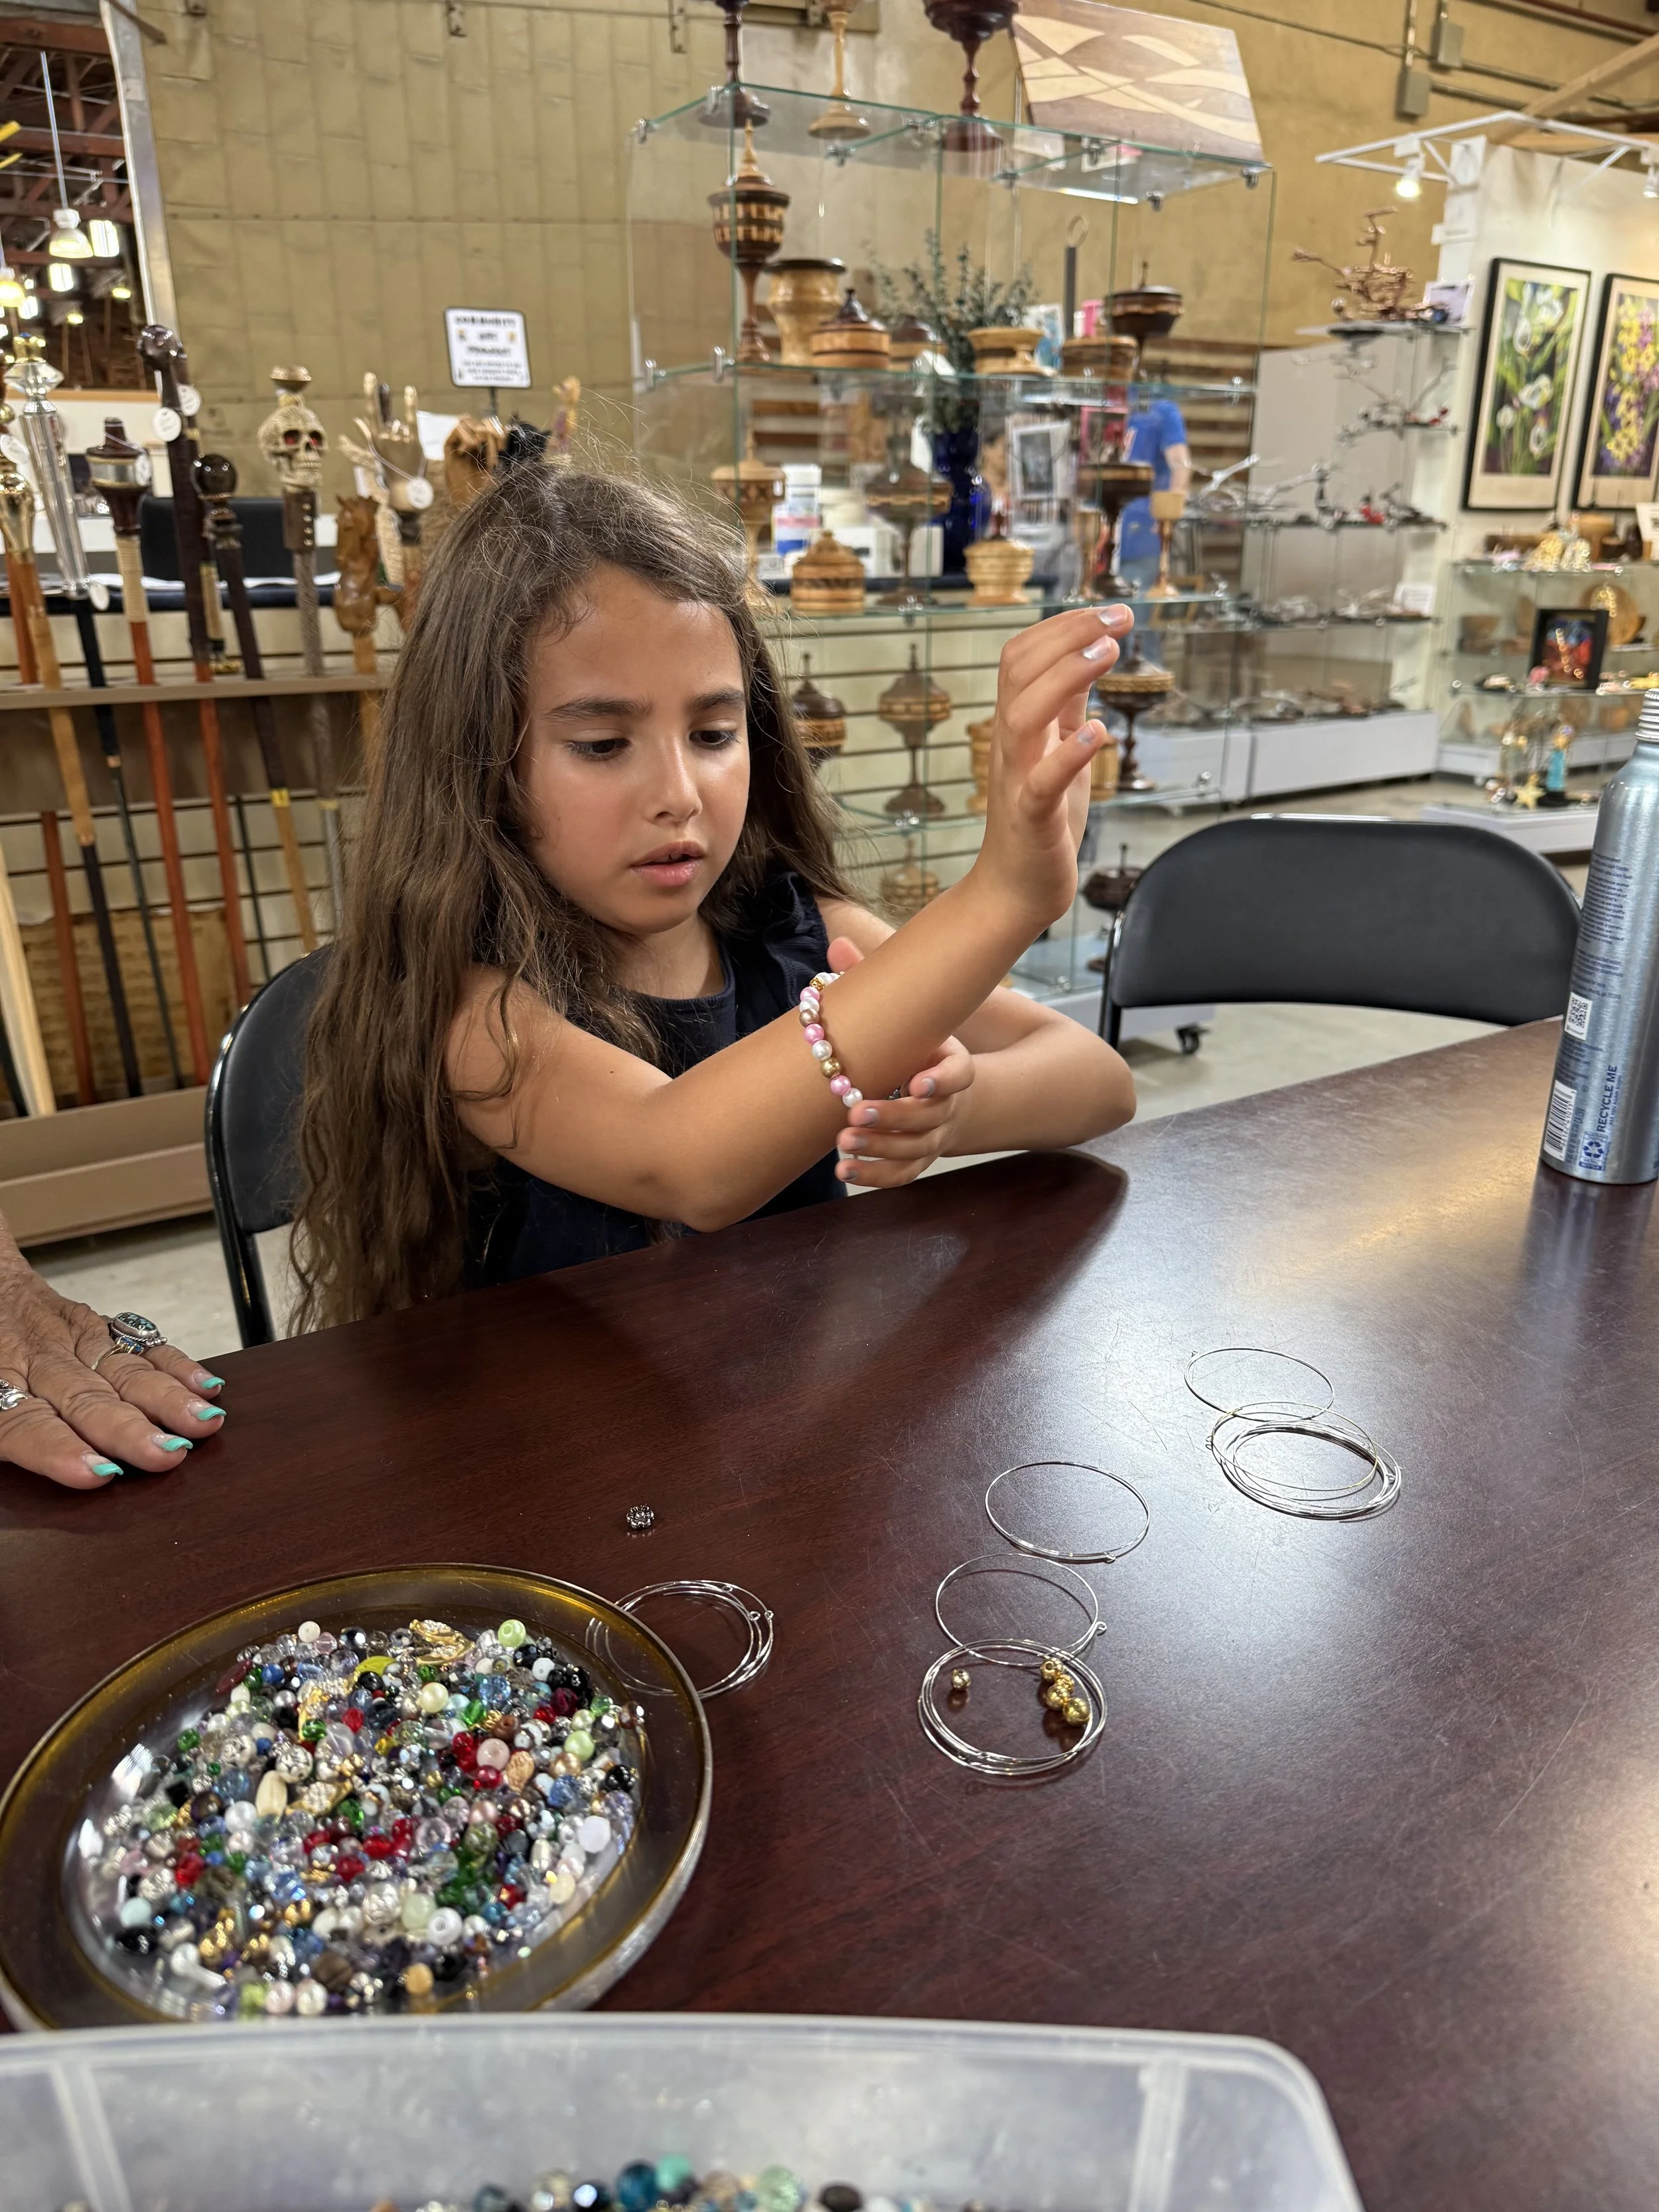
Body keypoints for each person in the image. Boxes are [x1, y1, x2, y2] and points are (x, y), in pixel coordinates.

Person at [3, 464, 1135, 1486]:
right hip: (554, 1479)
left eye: (713, 732)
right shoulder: (468, 1003)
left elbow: (1093, 1078)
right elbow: (688, 1155)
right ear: (479, 766)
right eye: (603, 745)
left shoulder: (793, 928)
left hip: (775, 1442)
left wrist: (953, 1106)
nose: (678, 794)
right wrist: (1001, 897)